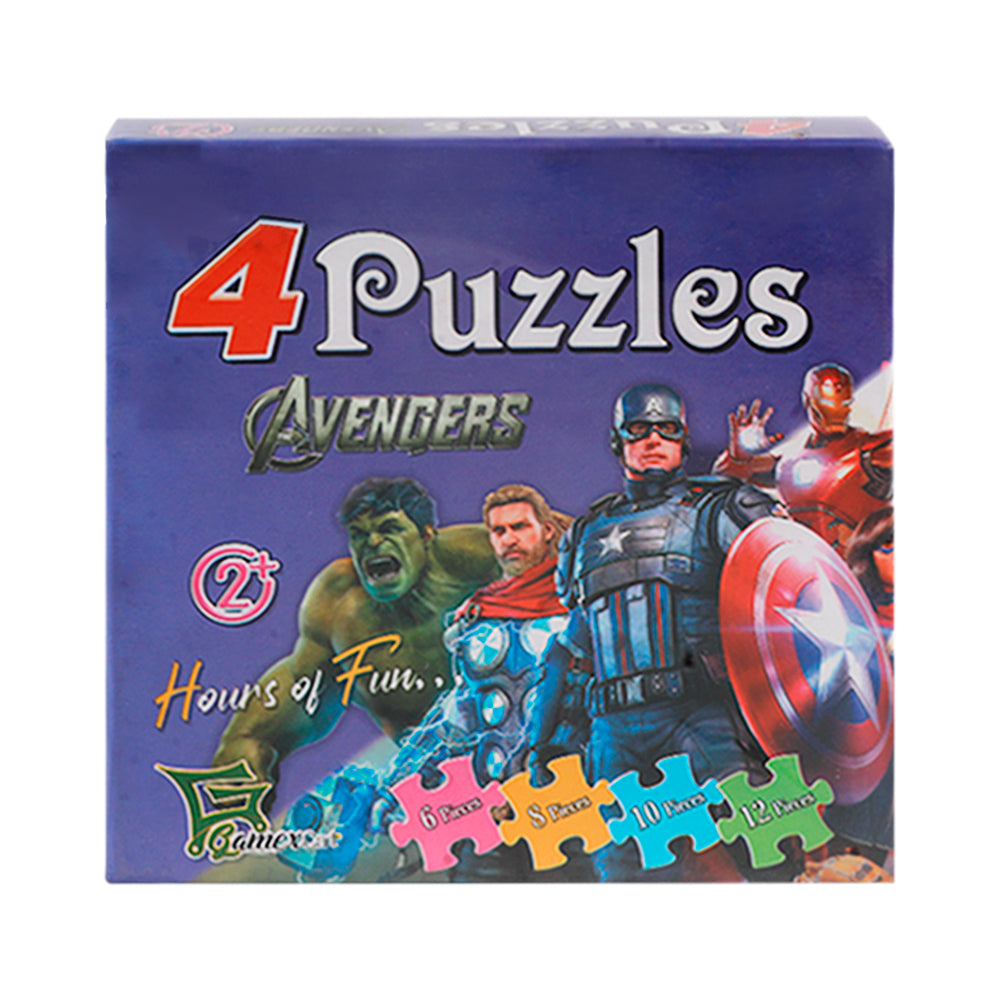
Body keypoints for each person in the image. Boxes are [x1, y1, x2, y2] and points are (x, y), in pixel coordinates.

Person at [556, 384, 787, 881]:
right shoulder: (585, 534)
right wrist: (539, 741)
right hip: (613, 730)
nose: (653, 440)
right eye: (639, 430)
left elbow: (790, 582)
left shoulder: (720, 507)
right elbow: (572, 646)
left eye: (667, 430)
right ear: (618, 442)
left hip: (701, 712)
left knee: (767, 840)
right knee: (626, 871)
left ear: (684, 439)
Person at [212, 476, 498, 795]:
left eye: (390, 528)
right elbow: (295, 698)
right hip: (447, 792)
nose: (372, 542)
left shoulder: (487, 556)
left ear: (427, 534)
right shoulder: (338, 609)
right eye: (359, 534)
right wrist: (243, 750)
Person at [378, 484, 593, 881]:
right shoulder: (477, 614)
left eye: (520, 527)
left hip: (566, 808)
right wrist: (399, 782)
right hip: (485, 812)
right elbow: (460, 713)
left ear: (546, 530)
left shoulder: (586, 605)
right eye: (499, 530)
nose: (509, 539)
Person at [714, 363, 891, 553]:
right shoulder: (788, 462)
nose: (837, 411)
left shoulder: (871, 450)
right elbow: (725, 477)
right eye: (828, 403)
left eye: (845, 403)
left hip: (858, 566)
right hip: (802, 563)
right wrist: (738, 456)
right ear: (808, 401)